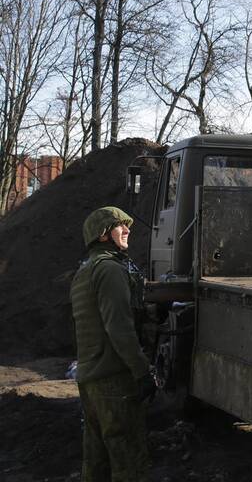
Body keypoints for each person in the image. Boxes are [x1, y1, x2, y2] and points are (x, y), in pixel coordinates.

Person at [70, 206, 156, 481]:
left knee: (96, 463)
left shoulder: (85, 271)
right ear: (103, 234)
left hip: (91, 379)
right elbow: (119, 328)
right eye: (119, 225)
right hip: (114, 380)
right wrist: (142, 371)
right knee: (129, 463)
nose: (127, 230)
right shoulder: (110, 269)